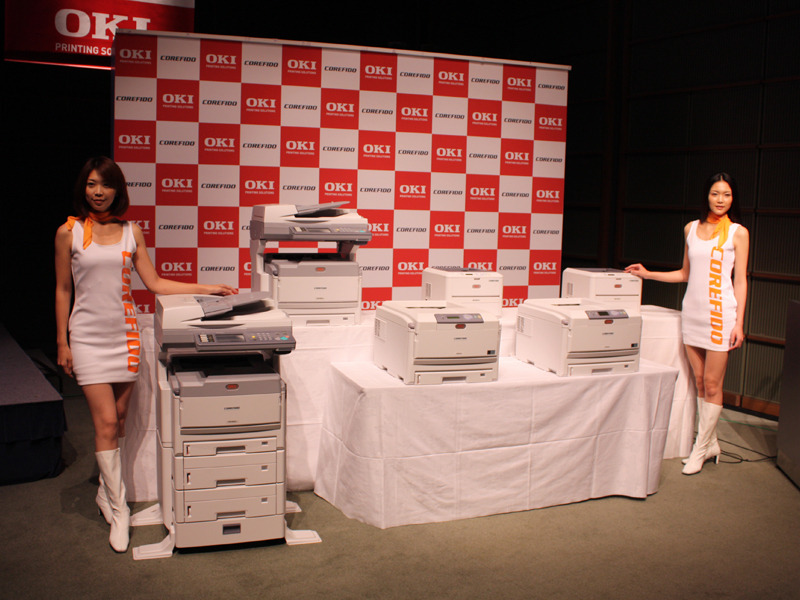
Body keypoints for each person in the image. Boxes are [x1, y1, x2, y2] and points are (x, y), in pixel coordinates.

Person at [55, 156, 237, 552]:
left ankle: (105, 492)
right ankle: (119, 509)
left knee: (121, 420)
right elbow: (63, 289)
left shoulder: (130, 232)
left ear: (117, 191)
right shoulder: (68, 232)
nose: (98, 192)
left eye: (105, 185)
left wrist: (206, 287)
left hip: (125, 337)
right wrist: (62, 342)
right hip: (86, 338)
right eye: (91, 184)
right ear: (83, 188)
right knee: (105, 421)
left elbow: (154, 282)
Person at [625, 172, 749, 475]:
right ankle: (711, 443)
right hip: (693, 314)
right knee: (699, 381)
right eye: (715, 193)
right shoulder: (690, 229)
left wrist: (739, 324)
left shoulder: (738, 232)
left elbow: (740, 281)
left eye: (727, 194)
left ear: (733, 198)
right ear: (706, 195)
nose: (720, 200)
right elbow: (685, 274)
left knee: (713, 384)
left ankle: (700, 449)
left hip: (721, 316)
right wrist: (648, 274)